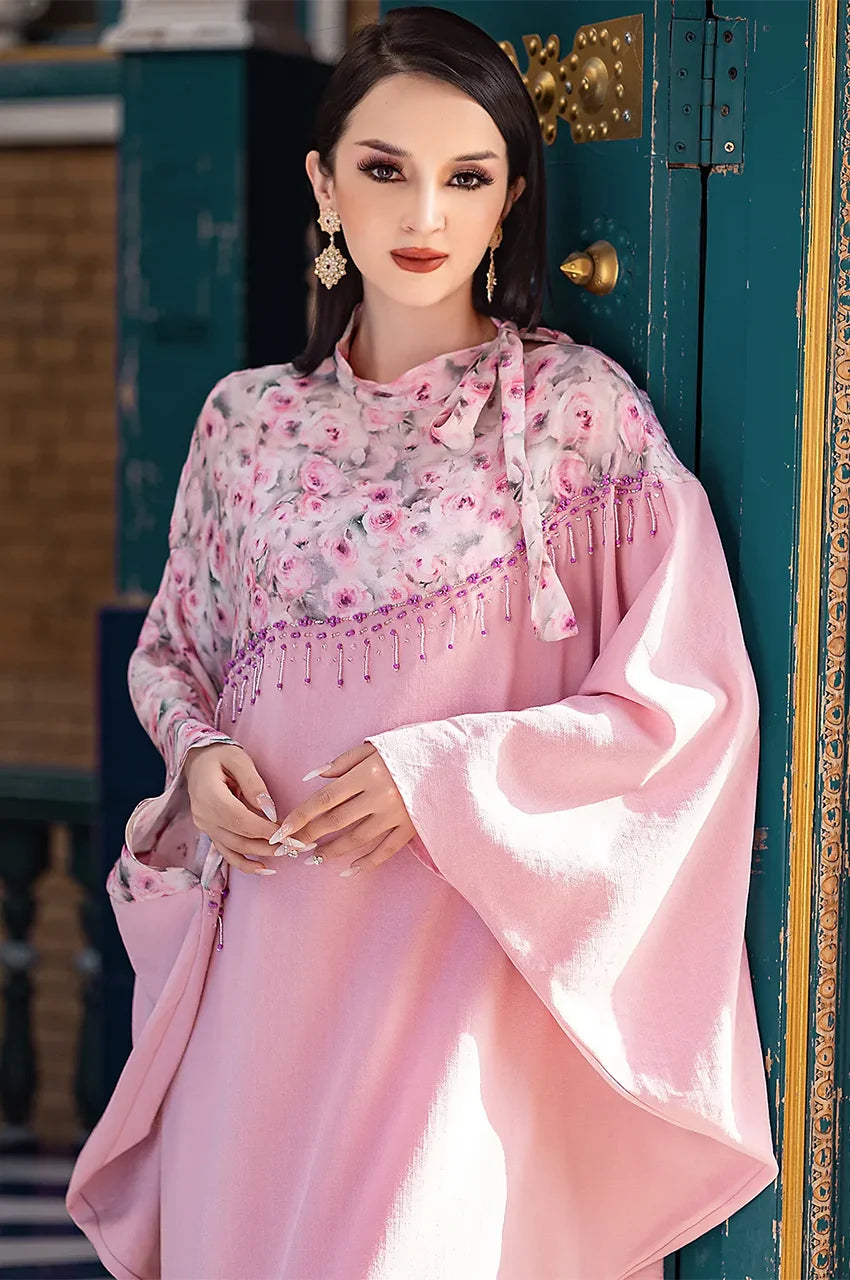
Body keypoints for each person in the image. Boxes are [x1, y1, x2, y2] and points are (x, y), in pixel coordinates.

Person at [66, 7, 779, 1277]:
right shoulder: (249, 423)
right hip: (269, 979)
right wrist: (202, 756)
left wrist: (438, 775)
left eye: (468, 177)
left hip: (460, 986)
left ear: (508, 202)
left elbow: (686, 706)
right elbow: (176, 650)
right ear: (323, 180)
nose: (424, 213)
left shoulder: (574, 418)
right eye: (386, 168)